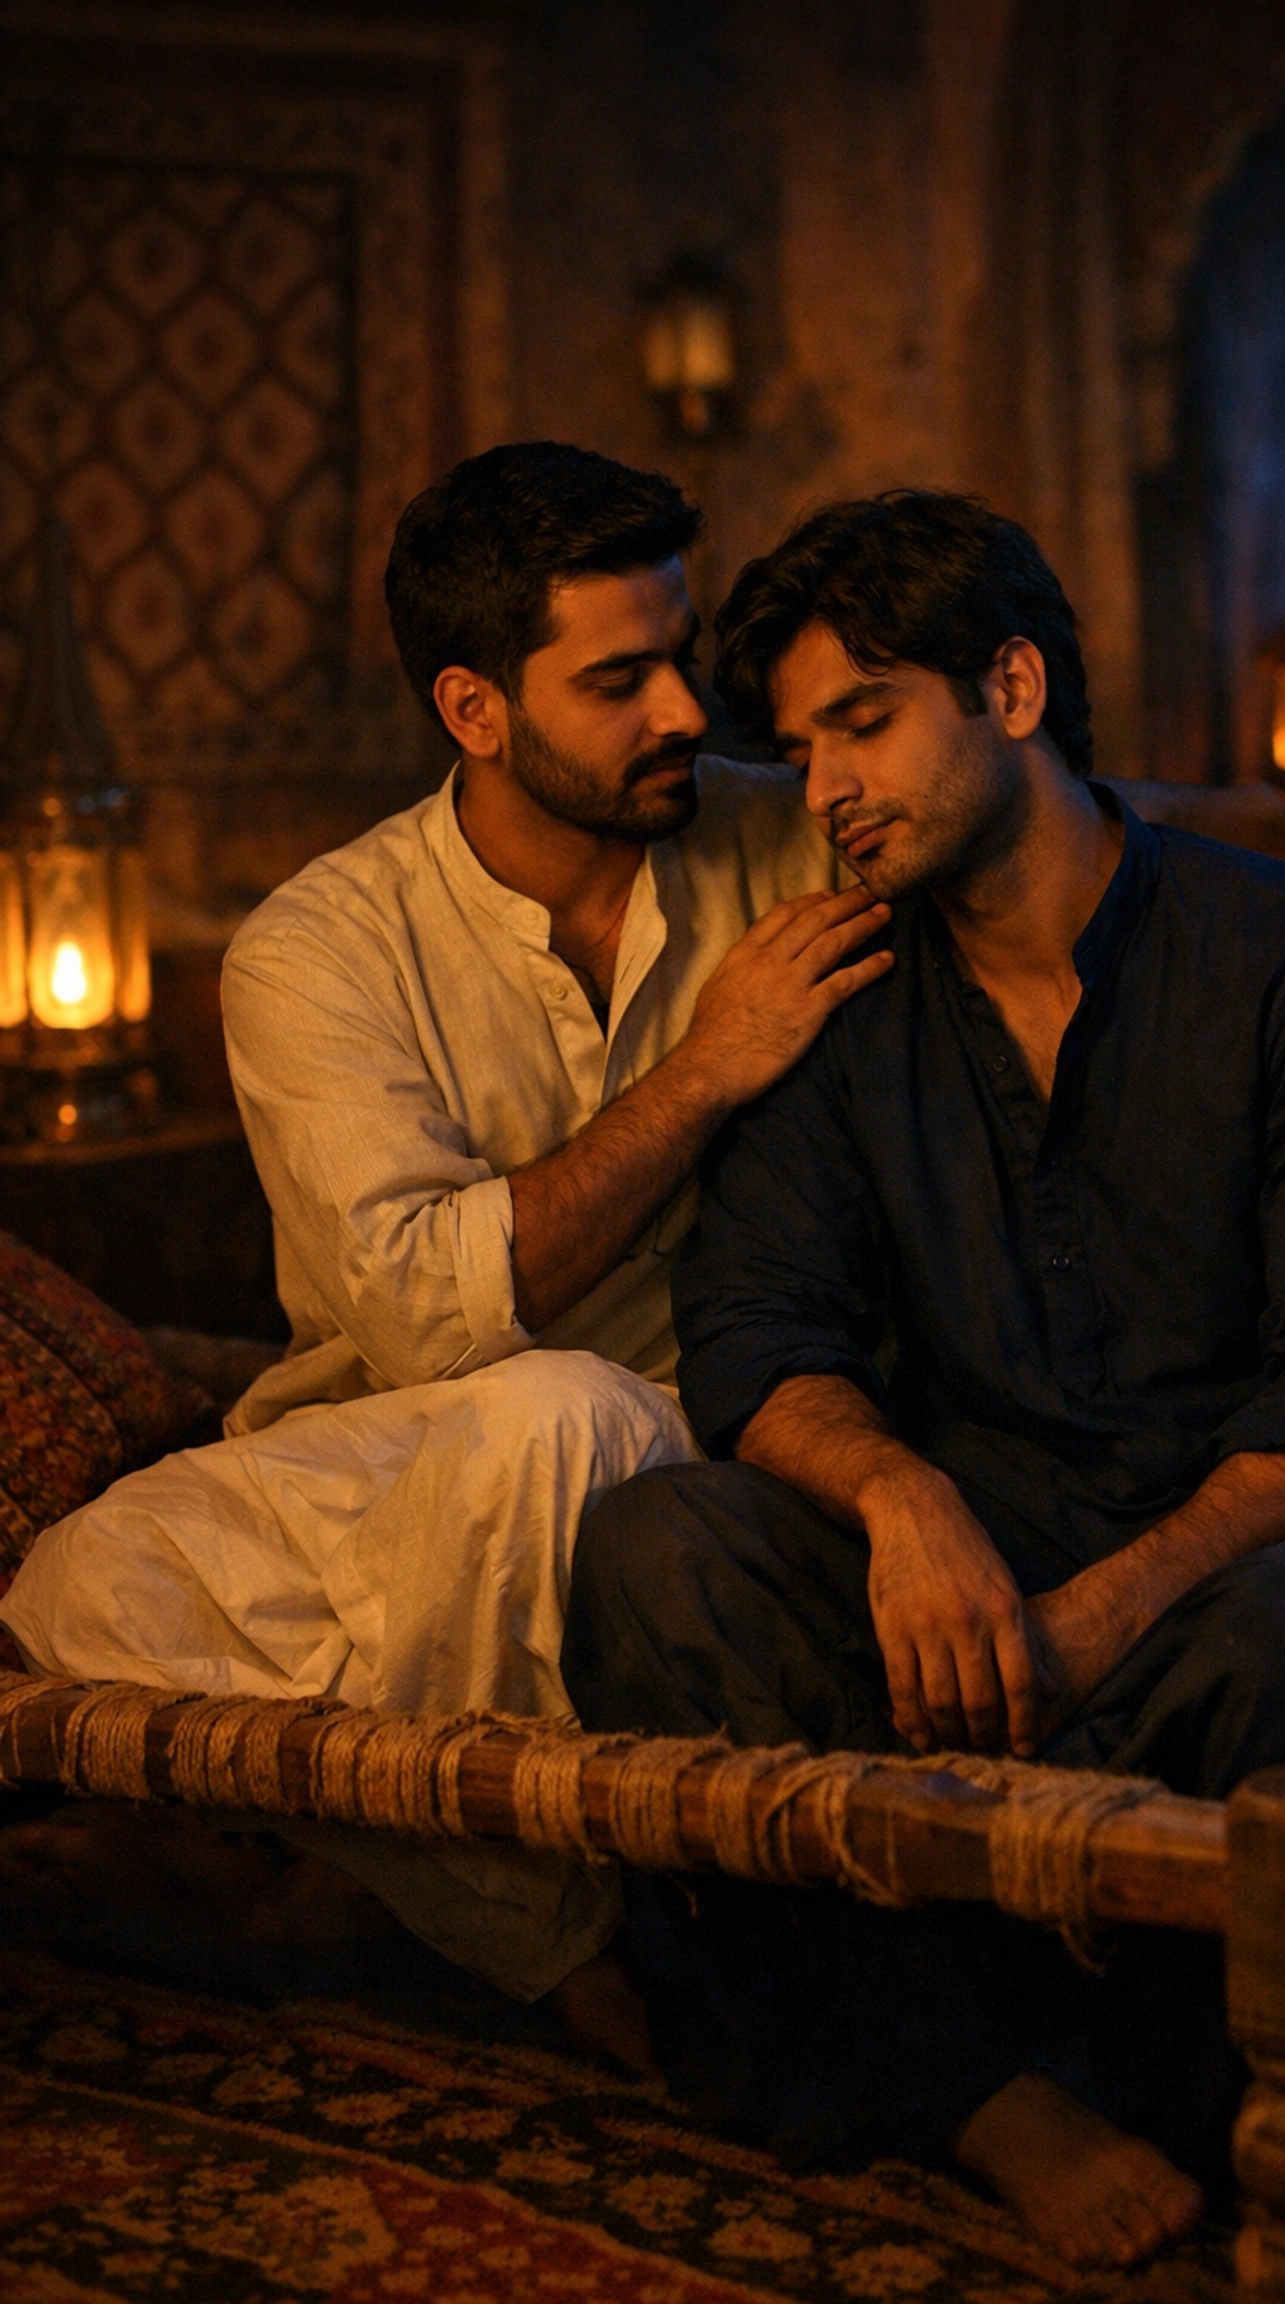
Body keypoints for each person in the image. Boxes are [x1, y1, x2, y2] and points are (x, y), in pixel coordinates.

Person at [560, 490, 1285, 2268]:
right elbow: (756, 1336)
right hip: (993, 1538)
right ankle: (999, 2094)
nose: (827, 788)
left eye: (866, 722)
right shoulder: (840, 1007)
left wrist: (1110, 1609)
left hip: (1277, 1549)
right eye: (801, 745)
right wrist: (899, 1497)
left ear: (1011, 687)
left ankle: (1092, 2056)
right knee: (657, 1553)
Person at [0, 443, 891, 2036]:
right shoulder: (314, 951)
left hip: (693, 1453)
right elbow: (426, 1325)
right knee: (82, 1588)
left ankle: (553, 1966)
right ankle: (498, 1912)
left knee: (556, 1415)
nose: (686, 709)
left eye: (679, 655)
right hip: (405, 1453)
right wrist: (707, 1069)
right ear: (476, 710)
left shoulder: (789, 842)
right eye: (619, 679)